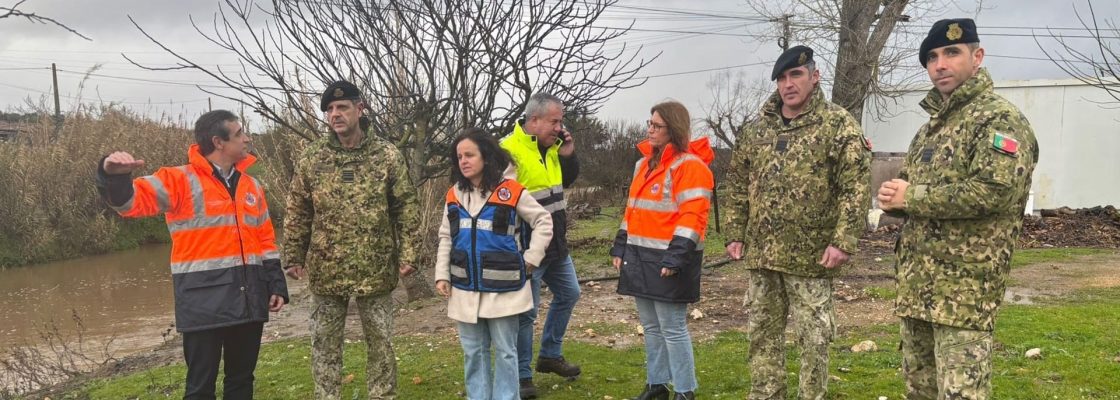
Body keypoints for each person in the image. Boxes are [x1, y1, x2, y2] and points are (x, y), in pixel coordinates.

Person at [877, 19, 1038, 399]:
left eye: (952, 52)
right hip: (918, 288)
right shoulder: (932, 127)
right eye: (932, 57)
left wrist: (911, 197)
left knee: (960, 394)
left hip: (963, 292)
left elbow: (993, 192)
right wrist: (896, 199)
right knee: (920, 391)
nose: (940, 64)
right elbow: (918, 191)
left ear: (977, 57)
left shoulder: (998, 119)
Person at [96, 110, 289, 400]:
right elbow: (129, 204)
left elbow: (265, 239)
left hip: (249, 298)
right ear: (218, 142)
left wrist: (275, 283)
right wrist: (112, 175)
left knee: (241, 381)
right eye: (239, 133)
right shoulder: (178, 180)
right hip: (203, 303)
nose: (247, 138)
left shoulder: (252, 186)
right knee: (200, 387)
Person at [724, 45, 871, 400]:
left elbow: (856, 185)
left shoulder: (838, 125)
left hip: (812, 257)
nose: (788, 84)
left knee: (814, 339)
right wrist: (734, 232)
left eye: (796, 75)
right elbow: (737, 183)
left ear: (814, 77)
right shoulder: (757, 129)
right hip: (764, 256)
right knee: (762, 335)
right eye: (782, 78)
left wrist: (843, 240)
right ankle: (766, 394)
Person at [282, 80, 421, 400]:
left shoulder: (386, 155)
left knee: (381, 344)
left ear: (361, 109)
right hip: (326, 269)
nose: (335, 114)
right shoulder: (313, 157)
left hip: (375, 267)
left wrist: (410, 254)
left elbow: (405, 206)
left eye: (342, 107)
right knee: (324, 346)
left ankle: (382, 396)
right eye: (329, 109)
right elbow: (298, 208)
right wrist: (292, 255)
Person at [435, 128, 554, 400]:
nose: (463, 161)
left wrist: (531, 259)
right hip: (464, 288)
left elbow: (543, 221)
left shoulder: (511, 191)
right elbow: (445, 235)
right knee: (473, 352)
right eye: (459, 157)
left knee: (505, 351)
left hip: (505, 289)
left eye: (469, 155)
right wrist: (442, 274)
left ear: (486, 157)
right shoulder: (453, 194)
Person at [611, 101, 713, 400]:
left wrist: (676, 257)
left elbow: (693, 217)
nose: (650, 130)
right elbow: (631, 211)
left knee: (673, 328)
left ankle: (685, 390)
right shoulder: (642, 165)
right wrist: (621, 247)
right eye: (649, 123)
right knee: (651, 327)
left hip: (669, 259)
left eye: (657, 125)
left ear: (674, 129)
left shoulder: (691, 166)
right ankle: (657, 386)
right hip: (641, 257)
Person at [500, 92, 582, 398]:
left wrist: (569, 153)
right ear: (534, 120)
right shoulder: (509, 150)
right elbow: (500, 203)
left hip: (556, 245)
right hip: (528, 248)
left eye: (560, 121)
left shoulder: (553, 147)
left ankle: (549, 354)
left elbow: (567, 182)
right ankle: (522, 376)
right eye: (554, 121)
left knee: (570, 293)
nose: (559, 127)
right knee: (526, 313)